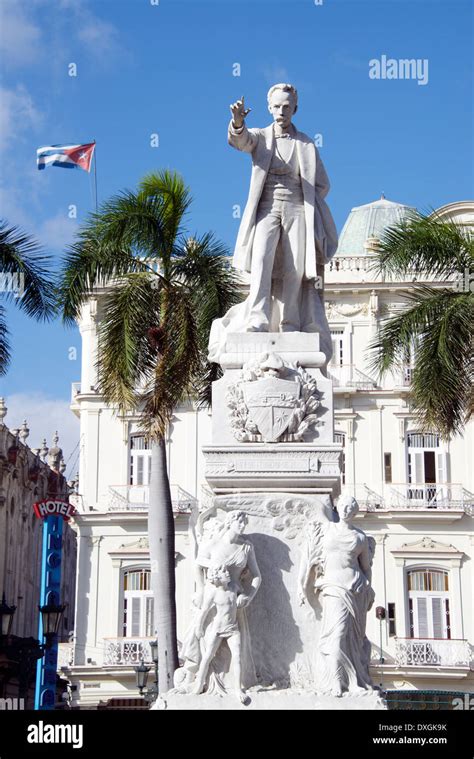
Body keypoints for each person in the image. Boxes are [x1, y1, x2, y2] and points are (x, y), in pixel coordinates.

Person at [208, 83, 338, 363]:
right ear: (269, 108)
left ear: (295, 109)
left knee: (294, 268)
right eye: (277, 106)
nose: (282, 111)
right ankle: (257, 319)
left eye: (287, 107)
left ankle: (290, 322)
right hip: (266, 208)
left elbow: (323, 184)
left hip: (296, 209)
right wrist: (238, 122)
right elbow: (240, 141)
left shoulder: (306, 143)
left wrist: (307, 200)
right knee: (261, 265)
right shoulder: (261, 137)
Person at [299, 494, 376, 697]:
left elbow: (366, 568)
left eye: (349, 507)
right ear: (337, 507)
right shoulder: (326, 529)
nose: (345, 509)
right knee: (336, 635)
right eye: (342, 505)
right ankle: (335, 682)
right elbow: (309, 556)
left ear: (354, 512)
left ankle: (350, 682)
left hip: (353, 587)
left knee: (351, 638)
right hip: (332, 587)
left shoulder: (359, 537)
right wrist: (303, 583)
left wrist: (367, 585)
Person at [191, 565, 247, 702]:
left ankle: (238, 689)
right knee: (208, 656)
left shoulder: (235, 588)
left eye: (227, 572)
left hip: (233, 629)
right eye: (224, 573)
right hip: (217, 629)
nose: (228, 574)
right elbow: (204, 611)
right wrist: (198, 627)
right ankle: (198, 685)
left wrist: (243, 597)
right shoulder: (214, 593)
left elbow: (244, 594)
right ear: (216, 578)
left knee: (237, 656)